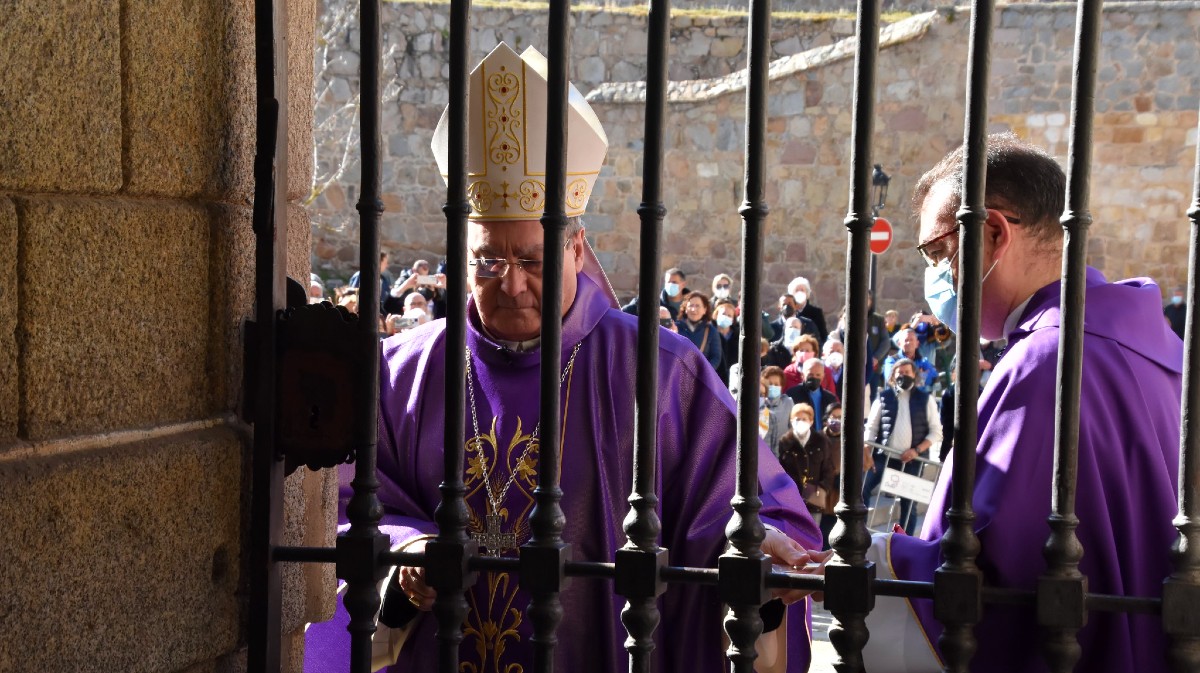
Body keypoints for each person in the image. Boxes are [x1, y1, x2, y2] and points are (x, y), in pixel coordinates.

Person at [305, 43, 822, 673]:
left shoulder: (659, 372)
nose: (513, 284)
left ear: (576, 247)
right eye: (489, 262)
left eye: (532, 261)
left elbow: (737, 501)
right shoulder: (403, 372)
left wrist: (757, 550)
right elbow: (340, 502)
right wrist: (407, 555)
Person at [852, 134, 1183, 672]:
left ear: (993, 233)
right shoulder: (1164, 348)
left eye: (938, 253)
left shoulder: (1046, 360)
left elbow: (985, 572)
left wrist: (862, 560)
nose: (935, 278)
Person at [860, 359, 942, 535]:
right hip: (884, 456)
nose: (903, 376)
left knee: (909, 504)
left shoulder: (926, 399)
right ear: (893, 376)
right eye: (900, 373)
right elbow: (871, 428)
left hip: (913, 461)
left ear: (914, 375)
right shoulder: (883, 397)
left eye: (907, 372)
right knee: (862, 488)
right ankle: (860, 531)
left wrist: (916, 450)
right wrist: (867, 449)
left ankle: (906, 543)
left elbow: (936, 432)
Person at [777, 403, 834, 526]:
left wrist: (822, 489)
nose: (801, 422)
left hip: (814, 500)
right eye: (797, 419)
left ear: (811, 421)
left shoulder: (821, 441)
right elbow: (781, 469)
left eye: (804, 419)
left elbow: (829, 469)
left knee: (811, 538)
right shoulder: (785, 442)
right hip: (792, 498)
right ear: (792, 421)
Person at [785, 358, 838, 432]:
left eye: (818, 375)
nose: (814, 377)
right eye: (810, 374)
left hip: (824, 439)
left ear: (823, 377)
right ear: (803, 375)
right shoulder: (792, 394)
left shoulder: (830, 398)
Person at [675, 291, 722, 371]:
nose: (693, 309)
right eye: (691, 305)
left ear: (704, 309)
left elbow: (716, 357)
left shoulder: (711, 331)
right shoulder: (676, 328)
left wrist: (705, 372)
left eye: (697, 306)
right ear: (686, 308)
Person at [882, 327, 938, 393]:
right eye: (906, 340)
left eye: (911, 340)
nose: (909, 342)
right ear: (899, 344)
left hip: (918, 399)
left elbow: (934, 377)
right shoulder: (891, 361)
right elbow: (892, 379)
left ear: (917, 344)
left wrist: (907, 376)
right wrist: (920, 376)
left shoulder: (923, 361)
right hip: (896, 399)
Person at [621, 267, 690, 320]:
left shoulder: (692, 304)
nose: (670, 285)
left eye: (674, 282)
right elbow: (624, 313)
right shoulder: (652, 301)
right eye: (668, 282)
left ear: (683, 284)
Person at [818, 402, 843, 549]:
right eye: (834, 416)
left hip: (838, 498)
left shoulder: (849, 440)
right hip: (819, 497)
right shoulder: (817, 438)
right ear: (827, 418)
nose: (837, 420)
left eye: (840, 417)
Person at [759, 366, 793, 457]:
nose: (773, 387)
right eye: (770, 384)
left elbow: (792, 430)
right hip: (762, 456)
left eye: (776, 384)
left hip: (782, 456)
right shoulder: (757, 404)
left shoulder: (788, 403)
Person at [787, 277, 828, 344]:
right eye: (797, 290)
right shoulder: (788, 312)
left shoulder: (816, 313)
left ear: (807, 293)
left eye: (802, 290)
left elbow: (822, 336)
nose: (799, 292)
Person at [712, 298, 739, 385]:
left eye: (729, 315)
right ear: (716, 316)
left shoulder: (739, 337)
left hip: (733, 379)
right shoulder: (709, 333)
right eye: (723, 314)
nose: (726, 317)